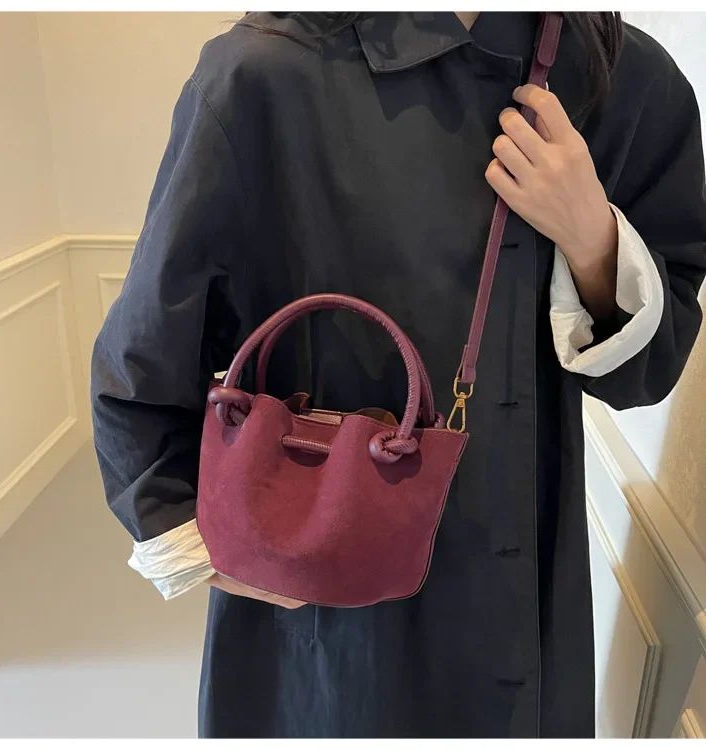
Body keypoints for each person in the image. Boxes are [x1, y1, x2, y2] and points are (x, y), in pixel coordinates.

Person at [90, 11, 706, 738]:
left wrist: (592, 238)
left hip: (526, 580)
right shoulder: (265, 74)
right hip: (323, 594)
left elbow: (644, 374)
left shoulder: (623, 79)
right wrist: (193, 537)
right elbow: (148, 348)